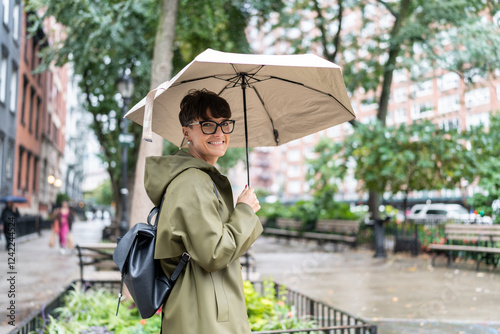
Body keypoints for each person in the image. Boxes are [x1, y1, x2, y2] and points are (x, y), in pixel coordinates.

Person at [145, 89, 262, 333]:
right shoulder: (193, 182)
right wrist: (244, 211)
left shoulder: (203, 180)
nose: (219, 133)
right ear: (186, 131)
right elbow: (214, 254)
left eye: (225, 124)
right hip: (204, 316)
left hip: (203, 309)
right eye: (208, 125)